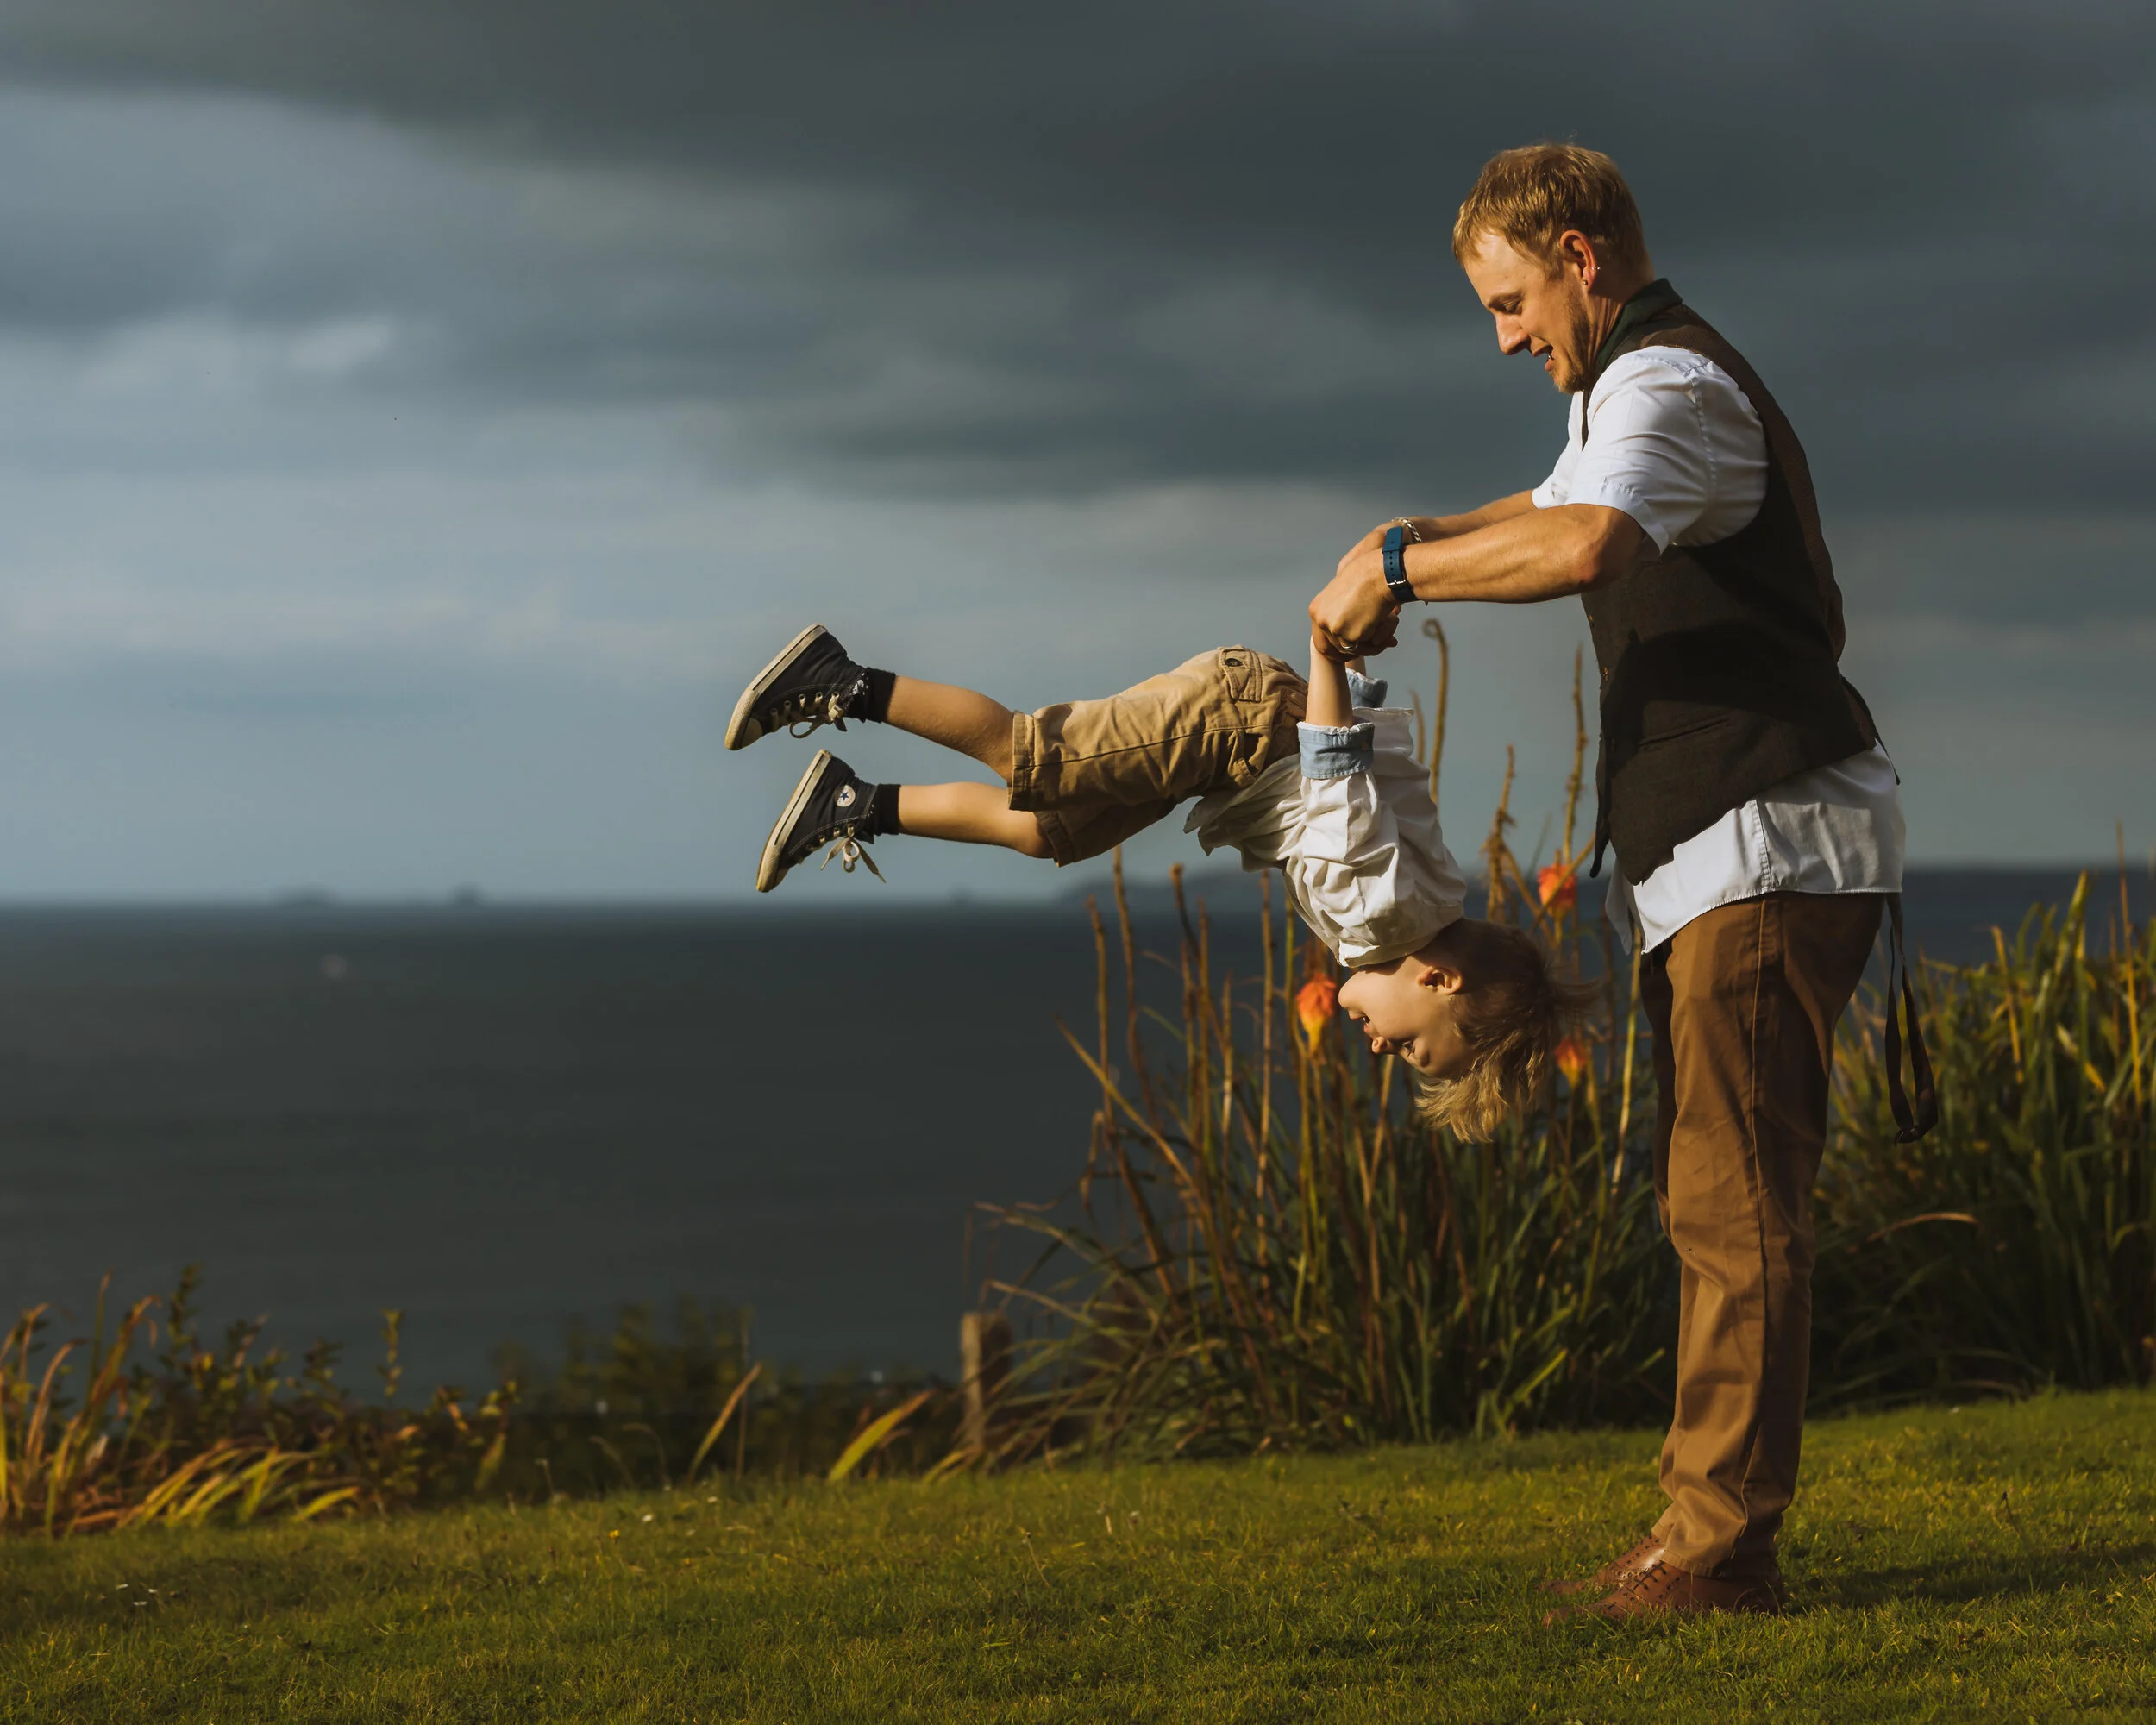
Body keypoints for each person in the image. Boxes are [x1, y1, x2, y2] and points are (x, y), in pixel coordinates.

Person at [1309, 143, 1933, 1622]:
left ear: (1579, 254)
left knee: (1731, 1204)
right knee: (1709, 1195)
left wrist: (1395, 569)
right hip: (1735, 852)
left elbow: (1583, 542)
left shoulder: (1667, 387)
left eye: (1512, 298)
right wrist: (1401, 541)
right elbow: (1539, 507)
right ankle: (1698, 1534)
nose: (1507, 335)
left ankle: (1716, 1555)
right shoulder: (1625, 398)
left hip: (1766, 847)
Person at [725, 619, 1589, 1137]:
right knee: (1035, 756)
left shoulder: (1432, 899)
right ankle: (839, 680)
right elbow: (1335, 776)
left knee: (1047, 833)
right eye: (1406, 1044)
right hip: (1235, 725)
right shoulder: (1374, 912)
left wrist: (1351, 682)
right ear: (1438, 979)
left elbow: (1382, 779)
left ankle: (852, 801)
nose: (1377, 1046)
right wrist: (1330, 652)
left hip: (1241, 744)